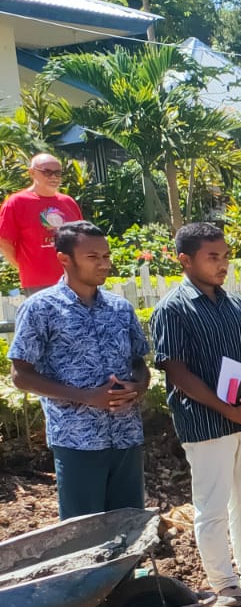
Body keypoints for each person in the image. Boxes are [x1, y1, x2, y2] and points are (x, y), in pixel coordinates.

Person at [150, 222, 241, 607]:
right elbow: (177, 372)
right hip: (205, 423)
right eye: (212, 257)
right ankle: (224, 584)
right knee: (212, 505)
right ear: (186, 260)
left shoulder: (235, 305)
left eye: (225, 256)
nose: (222, 264)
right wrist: (228, 409)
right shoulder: (173, 309)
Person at [9, 221, 150, 520]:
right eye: (93, 257)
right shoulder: (41, 309)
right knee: (83, 531)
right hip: (78, 440)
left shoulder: (120, 308)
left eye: (106, 256)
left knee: (128, 525)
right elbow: (20, 373)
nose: (103, 264)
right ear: (64, 259)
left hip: (126, 435)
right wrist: (86, 397)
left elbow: (139, 362)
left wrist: (137, 387)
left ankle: (124, 570)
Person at [0, 153, 80, 294]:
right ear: (32, 173)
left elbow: (81, 238)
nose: (53, 177)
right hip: (38, 284)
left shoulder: (68, 202)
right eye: (47, 172)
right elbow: (4, 241)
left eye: (57, 173)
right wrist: (24, 267)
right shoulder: (17, 202)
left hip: (73, 279)